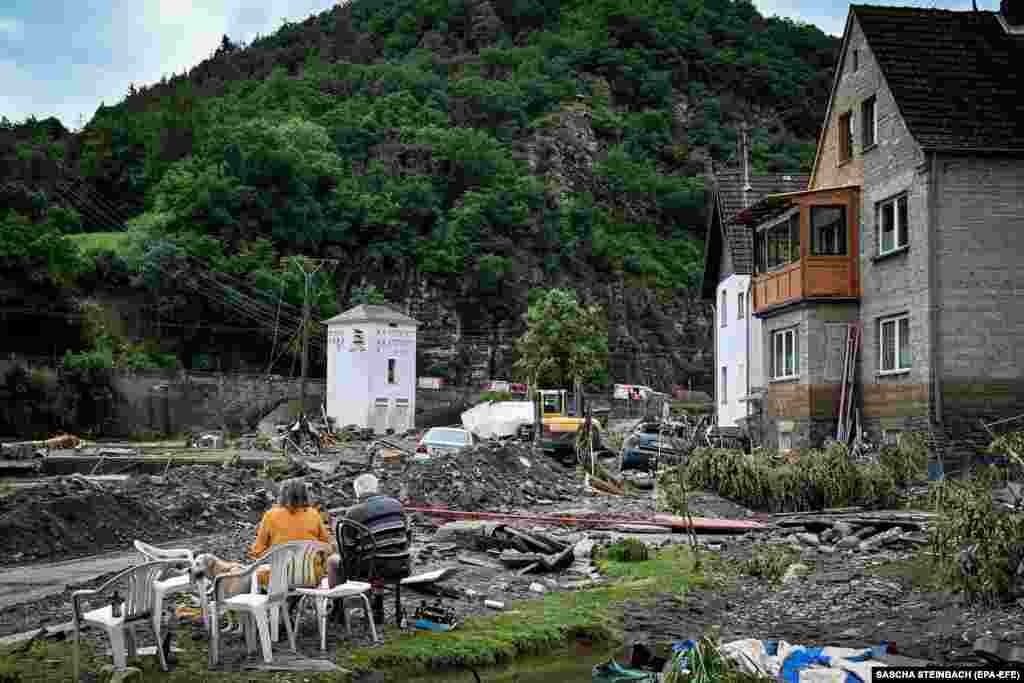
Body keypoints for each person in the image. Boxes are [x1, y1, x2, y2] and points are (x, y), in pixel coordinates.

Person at [330, 473, 411, 622]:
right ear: (376, 488)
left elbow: (348, 548)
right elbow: (407, 534)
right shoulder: (397, 505)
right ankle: (377, 605)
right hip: (402, 564)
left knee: (335, 561)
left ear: (357, 491)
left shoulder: (354, 512)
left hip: (374, 568)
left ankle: (338, 609)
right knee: (378, 554)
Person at [249, 477, 333, 591]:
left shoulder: (270, 516)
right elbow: (327, 546)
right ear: (305, 494)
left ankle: (269, 605)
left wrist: (271, 557)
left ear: (282, 494)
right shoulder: (314, 515)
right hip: (311, 576)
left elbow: (257, 551)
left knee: (255, 575)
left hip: (278, 578)